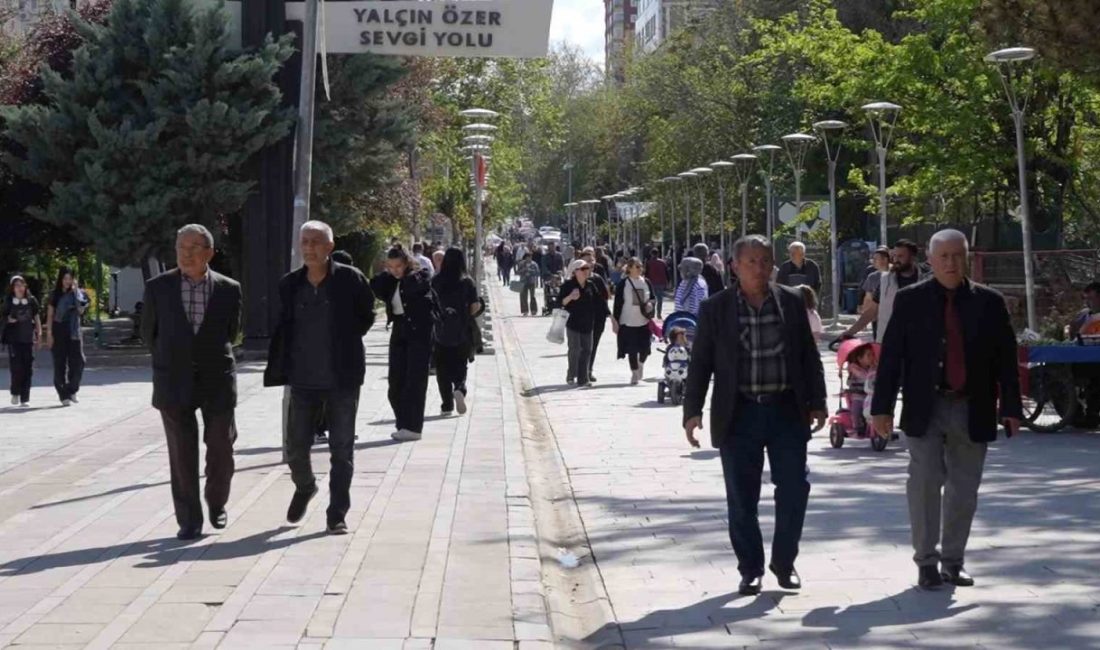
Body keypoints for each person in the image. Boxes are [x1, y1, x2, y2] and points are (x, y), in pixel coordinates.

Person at [871, 229, 1022, 590]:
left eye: (958, 255)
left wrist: (1012, 408)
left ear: (967, 257)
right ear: (931, 261)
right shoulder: (911, 301)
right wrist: (881, 409)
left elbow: (1006, 358)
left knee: (963, 489)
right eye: (944, 257)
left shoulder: (989, 302)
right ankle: (926, 562)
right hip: (926, 406)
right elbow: (891, 357)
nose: (952, 262)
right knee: (923, 484)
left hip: (973, 405)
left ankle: (953, 562)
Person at [683, 234, 827, 596]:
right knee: (742, 496)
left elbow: (810, 356)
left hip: (786, 411)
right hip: (739, 413)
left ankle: (784, 561)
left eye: (766, 261)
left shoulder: (793, 302)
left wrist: (819, 401)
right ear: (734, 266)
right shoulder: (716, 308)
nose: (761, 268)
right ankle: (750, 568)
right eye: (752, 262)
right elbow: (700, 363)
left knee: (794, 488)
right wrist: (692, 411)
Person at [264, 222, 374, 534]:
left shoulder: (350, 280)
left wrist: (343, 342)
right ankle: (305, 486)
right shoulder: (290, 284)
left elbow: (365, 316)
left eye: (316, 242)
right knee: (296, 446)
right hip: (302, 379)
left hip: (342, 378)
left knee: (341, 449)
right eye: (305, 241)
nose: (310, 247)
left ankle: (336, 513)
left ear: (329, 246)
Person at [142, 224, 242, 540]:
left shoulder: (229, 288)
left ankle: (216, 501)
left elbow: (233, 332)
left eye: (193, 247)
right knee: (182, 455)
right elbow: (149, 334)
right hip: (174, 381)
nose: (185, 253)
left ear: (209, 252)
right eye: (180, 247)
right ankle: (189, 519)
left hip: (217, 380)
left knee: (221, 448)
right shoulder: (158, 288)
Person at [371, 245, 434, 442]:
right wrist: (387, 273)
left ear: (406, 263)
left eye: (398, 266)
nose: (395, 270)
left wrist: (405, 274)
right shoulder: (391, 280)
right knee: (395, 382)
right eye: (390, 266)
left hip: (419, 332)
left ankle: (413, 427)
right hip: (399, 329)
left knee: (414, 381)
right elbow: (375, 285)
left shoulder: (419, 276)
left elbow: (417, 285)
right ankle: (403, 423)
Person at [839, 239, 924, 343]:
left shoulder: (925, 279)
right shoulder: (885, 280)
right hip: (891, 341)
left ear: (912, 258)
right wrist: (849, 332)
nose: (896, 259)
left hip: (920, 341)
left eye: (901, 256)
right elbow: (872, 311)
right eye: (894, 256)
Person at [431, 248, 481, 416]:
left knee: (442, 368)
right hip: (462, 330)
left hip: (440, 330)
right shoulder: (467, 281)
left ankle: (446, 405)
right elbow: (474, 306)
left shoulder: (436, 281)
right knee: (460, 365)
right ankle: (459, 388)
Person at [45, 267, 88, 406]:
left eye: (70, 278)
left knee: (79, 361)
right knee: (59, 364)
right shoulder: (55, 295)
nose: (67, 281)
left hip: (74, 330)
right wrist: (49, 334)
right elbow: (50, 315)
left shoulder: (78, 294)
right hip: (59, 329)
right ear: (61, 279)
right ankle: (63, 394)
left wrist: (76, 292)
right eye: (65, 278)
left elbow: (81, 310)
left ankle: (71, 389)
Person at [612, 258, 656, 385]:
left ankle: (640, 363)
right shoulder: (623, 283)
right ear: (629, 268)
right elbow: (618, 304)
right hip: (627, 321)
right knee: (632, 349)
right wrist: (615, 321)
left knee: (645, 348)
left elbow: (653, 298)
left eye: (641, 266)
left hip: (643, 320)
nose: (639, 269)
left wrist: (650, 305)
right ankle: (635, 373)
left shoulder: (646, 282)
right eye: (637, 266)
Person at [2, 275, 42, 407]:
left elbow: (36, 317)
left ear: (25, 286)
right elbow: (3, 318)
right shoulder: (8, 301)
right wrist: (8, 320)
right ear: (12, 288)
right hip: (14, 340)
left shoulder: (31, 301)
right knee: (16, 368)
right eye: (16, 285)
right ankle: (15, 392)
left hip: (28, 338)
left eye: (22, 285)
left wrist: (39, 333)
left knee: (28, 368)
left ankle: (25, 398)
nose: (20, 288)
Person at [560, 259, 600, 386]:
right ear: (575, 271)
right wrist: (570, 297)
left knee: (587, 350)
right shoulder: (568, 285)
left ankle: (583, 378)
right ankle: (571, 375)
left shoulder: (590, 285)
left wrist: (611, 317)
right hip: (573, 323)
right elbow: (560, 303)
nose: (586, 271)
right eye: (583, 269)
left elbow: (599, 302)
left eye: (588, 268)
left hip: (588, 323)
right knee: (575, 349)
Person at [1068, 282, 1100, 427]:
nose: (1088, 302)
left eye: (1091, 299)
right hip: (1082, 360)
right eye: (1086, 299)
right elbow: (1073, 334)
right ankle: (1075, 414)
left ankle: (1092, 414)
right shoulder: (1083, 315)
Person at [580, 249, 611, 381]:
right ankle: (580, 371)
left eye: (592, 260)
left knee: (593, 345)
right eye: (587, 261)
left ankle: (588, 370)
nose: (590, 263)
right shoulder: (577, 279)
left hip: (598, 317)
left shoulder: (598, 278)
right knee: (582, 347)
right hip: (581, 318)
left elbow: (606, 296)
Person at [846, 342, 876, 431]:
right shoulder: (853, 367)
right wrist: (872, 372)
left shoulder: (872, 367)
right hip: (858, 395)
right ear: (860, 359)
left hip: (870, 395)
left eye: (873, 355)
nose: (872, 358)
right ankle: (856, 426)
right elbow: (863, 376)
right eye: (868, 355)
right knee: (856, 409)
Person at [645, 248, 669, 318]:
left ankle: (652, 313)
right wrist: (667, 281)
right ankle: (659, 314)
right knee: (660, 299)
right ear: (658, 254)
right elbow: (666, 273)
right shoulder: (663, 262)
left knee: (652, 299)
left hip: (651, 283)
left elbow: (646, 274)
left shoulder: (648, 263)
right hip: (661, 283)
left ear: (651, 254)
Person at [515, 251, 541, 316]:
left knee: (532, 296)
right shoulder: (521, 264)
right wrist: (523, 270)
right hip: (523, 282)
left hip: (531, 282)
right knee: (523, 297)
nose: (529, 259)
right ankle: (525, 311)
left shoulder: (534, 264)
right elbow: (517, 272)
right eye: (527, 258)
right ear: (525, 258)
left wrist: (531, 271)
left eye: (530, 257)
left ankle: (533, 310)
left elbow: (537, 273)